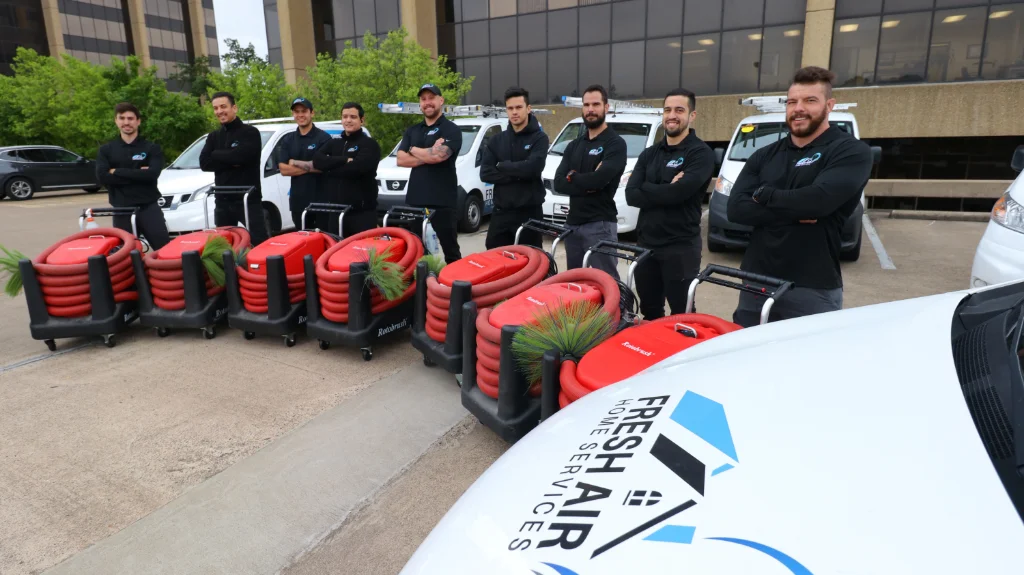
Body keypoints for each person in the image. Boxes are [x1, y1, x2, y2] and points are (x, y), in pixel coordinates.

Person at [727, 66, 872, 327]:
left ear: (829, 105)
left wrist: (765, 195)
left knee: (807, 363)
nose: (799, 108)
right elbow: (736, 209)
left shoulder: (850, 151)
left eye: (810, 100)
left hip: (812, 286)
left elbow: (819, 201)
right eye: (792, 101)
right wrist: (796, 213)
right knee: (747, 360)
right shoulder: (765, 154)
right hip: (756, 281)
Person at [625, 88, 714, 319]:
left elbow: (679, 194)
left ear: (691, 115)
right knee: (650, 311)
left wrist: (648, 187)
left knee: (682, 315)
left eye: (679, 110)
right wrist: (668, 189)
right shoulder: (649, 154)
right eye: (667, 110)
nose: (672, 115)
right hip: (646, 246)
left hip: (680, 248)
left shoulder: (701, 154)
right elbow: (631, 195)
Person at [553, 84, 627, 280]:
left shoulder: (615, 144)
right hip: (572, 225)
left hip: (600, 224)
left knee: (606, 282)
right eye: (586, 105)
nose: (590, 109)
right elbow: (559, 183)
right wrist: (588, 180)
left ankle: (620, 312)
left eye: (596, 104)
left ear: (606, 107)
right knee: (576, 284)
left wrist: (574, 177)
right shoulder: (573, 145)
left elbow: (600, 181)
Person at [396, 83, 463, 263]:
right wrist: (426, 152)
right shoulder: (412, 130)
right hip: (415, 201)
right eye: (423, 99)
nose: (427, 102)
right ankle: (422, 289)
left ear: (441, 100)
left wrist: (413, 150)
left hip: (443, 202)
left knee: (451, 252)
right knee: (416, 251)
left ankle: (455, 289)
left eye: (431, 98)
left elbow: (439, 156)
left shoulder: (452, 129)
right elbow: (400, 159)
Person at [479, 87, 550, 250]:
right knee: (495, 262)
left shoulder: (539, 138)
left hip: (529, 214)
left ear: (528, 108)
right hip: (501, 214)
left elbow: (534, 167)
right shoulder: (496, 140)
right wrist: (519, 174)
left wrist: (503, 167)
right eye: (510, 108)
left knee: (532, 266)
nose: (514, 112)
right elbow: (485, 173)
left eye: (519, 107)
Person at [95, 102, 171, 250]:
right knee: (125, 256)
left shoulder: (151, 148)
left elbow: (152, 175)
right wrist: (139, 174)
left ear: (138, 121)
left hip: (148, 208)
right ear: (116, 121)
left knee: (164, 251)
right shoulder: (106, 150)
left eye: (130, 118)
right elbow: (102, 177)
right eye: (122, 118)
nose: (126, 122)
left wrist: (116, 171)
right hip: (121, 209)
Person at [199, 91, 269, 245]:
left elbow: (241, 157)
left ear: (234, 108)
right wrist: (231, 158)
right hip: (222, 199)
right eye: (216, 108)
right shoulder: (213, 136)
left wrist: (216, 154)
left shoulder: (250, 133)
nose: (219, 111)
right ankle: (231, 270)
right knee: (225, 246)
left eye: (223, 106)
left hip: (247, 199)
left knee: (259, 243)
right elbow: (204, 163)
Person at [312, 102, 382, 237]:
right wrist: (343, 160)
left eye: (353, 117)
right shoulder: (334, 143)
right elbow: (317, 160)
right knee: (335, 254)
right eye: (345, 117)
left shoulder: (369, 144)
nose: (348, 120)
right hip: (335, 212)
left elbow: (357, 168)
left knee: (363, 255)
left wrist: (329, 170)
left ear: (362, 120)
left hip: (361, 213)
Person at [277, 97, 332, 230]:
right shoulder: (288, 139)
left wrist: (295, 162)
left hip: (321, 202)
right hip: (298, 202)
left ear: (312, 113)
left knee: (324, 240)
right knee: (303, 240)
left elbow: (325, 167)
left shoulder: (324, 138)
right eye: (297, 111)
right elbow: (283, 169)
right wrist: (312, 165)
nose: (300, 115)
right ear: (293, 114)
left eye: (304, 111)